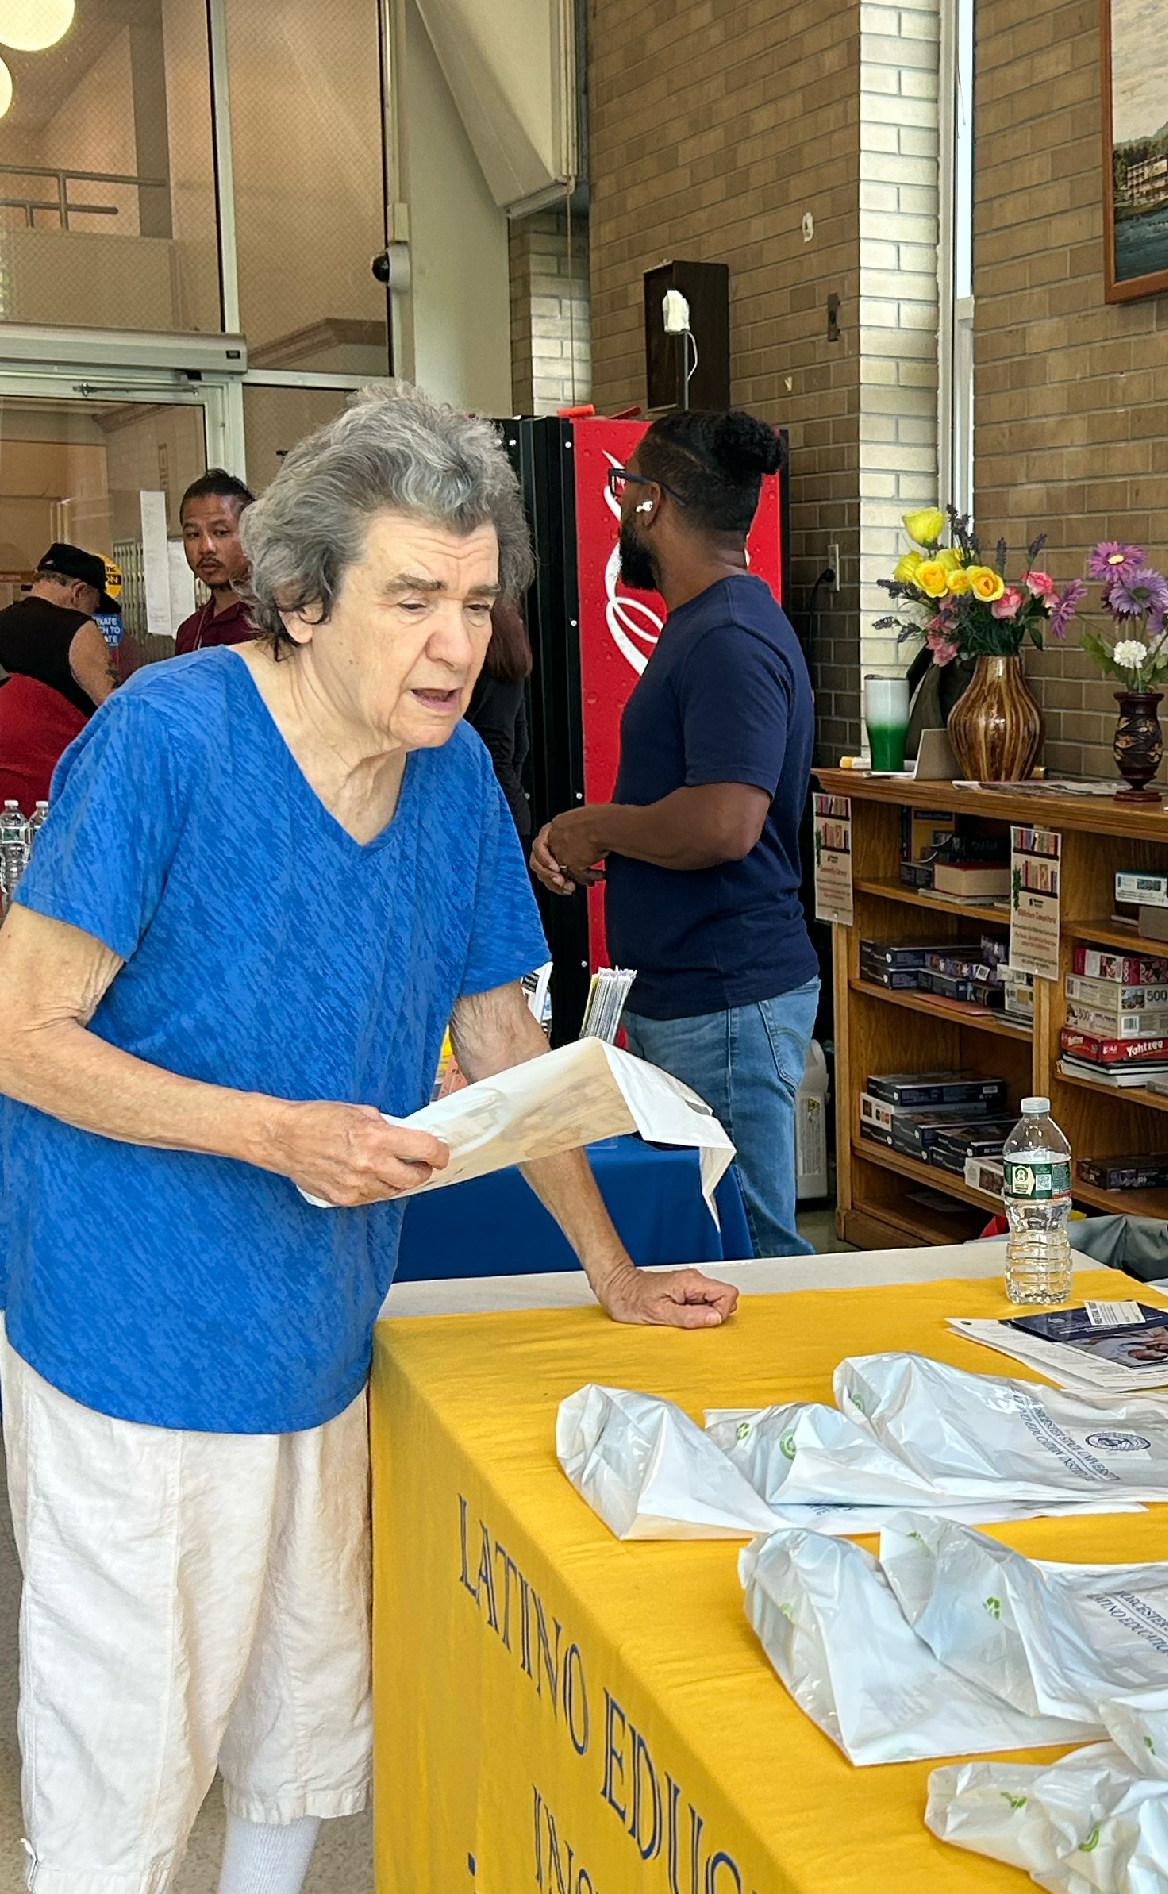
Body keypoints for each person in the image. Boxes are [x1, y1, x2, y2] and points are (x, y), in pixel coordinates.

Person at [0, 385, 738, 1894]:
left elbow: (500, 1046)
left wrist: (607, 1264)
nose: (457, 641)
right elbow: (20, 1032)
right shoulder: (164, 740)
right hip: (128, 1329)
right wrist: (277, 1133)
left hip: (322, 1326)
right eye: (412, 598)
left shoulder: (453, 774)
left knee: (301, 1709)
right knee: (128, 1754)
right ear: (299, 599)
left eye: (475, 599)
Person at [530, 411, 818, 1256]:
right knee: (710, 1234)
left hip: (726, 992)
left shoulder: (726, 636)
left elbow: (727, 823)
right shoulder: (710, 622)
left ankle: (787, 1393)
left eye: (622, 491)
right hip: (698, 989)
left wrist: (593, 825)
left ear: (650, 503)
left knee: (751, 1244)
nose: (618, 508)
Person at [0, 542, 118, 808]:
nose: (93, 614)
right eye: (95, 605)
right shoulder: (79, 629)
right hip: (56, 793)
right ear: (79, 592)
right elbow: (116, 709)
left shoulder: (2, 621)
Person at [467, 596, 535, 844]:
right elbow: (520, 743)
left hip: (479, 818)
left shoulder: (472, 645)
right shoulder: (509, 642)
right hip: (513, 811)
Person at [174, 468, 259, 655]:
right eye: (193, 534)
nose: (206, 547)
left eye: (220, 532)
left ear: (252, 535)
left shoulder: (277, 622)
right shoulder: (189, 632)